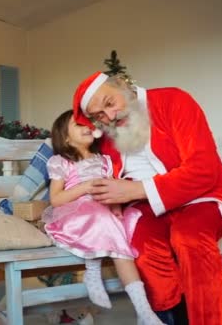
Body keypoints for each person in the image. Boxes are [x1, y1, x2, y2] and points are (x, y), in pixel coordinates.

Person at [70, 71, 222, 324]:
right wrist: (117, 199)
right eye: (99, 115)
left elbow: (203, 169)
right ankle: (170, 318)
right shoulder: (107, 139)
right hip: (147, 206)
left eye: (110, 104)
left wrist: (138, 190)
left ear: (122, 84)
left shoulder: (174, 101)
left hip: (202, 196)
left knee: (189, 238)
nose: (109, 117)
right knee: (142, 249)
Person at [44, 109, 164, 325]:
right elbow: (56, 199)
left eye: (88, 124)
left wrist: (117, 207)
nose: (87, 127)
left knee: (123, 236)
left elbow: (111, 190)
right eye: (78, 125)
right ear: (65, 137)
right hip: (76, 214)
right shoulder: (60, 162)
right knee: (101, 219)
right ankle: (92, 270)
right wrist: (85, 187)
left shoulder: (104, 160)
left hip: (105, 212)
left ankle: (144, 312)